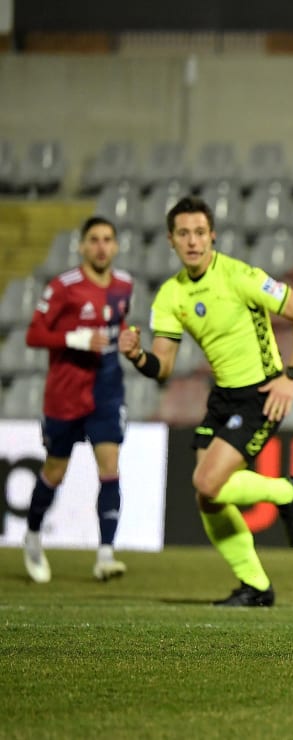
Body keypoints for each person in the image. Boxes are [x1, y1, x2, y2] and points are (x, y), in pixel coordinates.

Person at [118, 196, 293, 606]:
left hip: (262, 393)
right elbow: (164, 367)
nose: (192, 241)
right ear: (170, 241)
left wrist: (292, 377)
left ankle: (288, 492)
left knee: (207, 482)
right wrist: (138, 355)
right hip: (224, 397)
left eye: (199, 232)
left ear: (212, 235)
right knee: (207, 497)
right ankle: (256, 587)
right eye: (183, 234)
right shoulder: (170, 296)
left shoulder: (239, 276)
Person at [22, 216, 133, 583]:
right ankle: (34, 536)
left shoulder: (124, 285)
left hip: (107, 391)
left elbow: (118, 330)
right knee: (55, 471)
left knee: (110, 468)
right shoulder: (64, 286)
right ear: (82, 246)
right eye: (94, 240)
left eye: (107, 240)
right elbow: (34, 335)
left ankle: (105, 555)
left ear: (115, 246)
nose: (101, 246)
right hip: (66, 394)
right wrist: (75, 338)